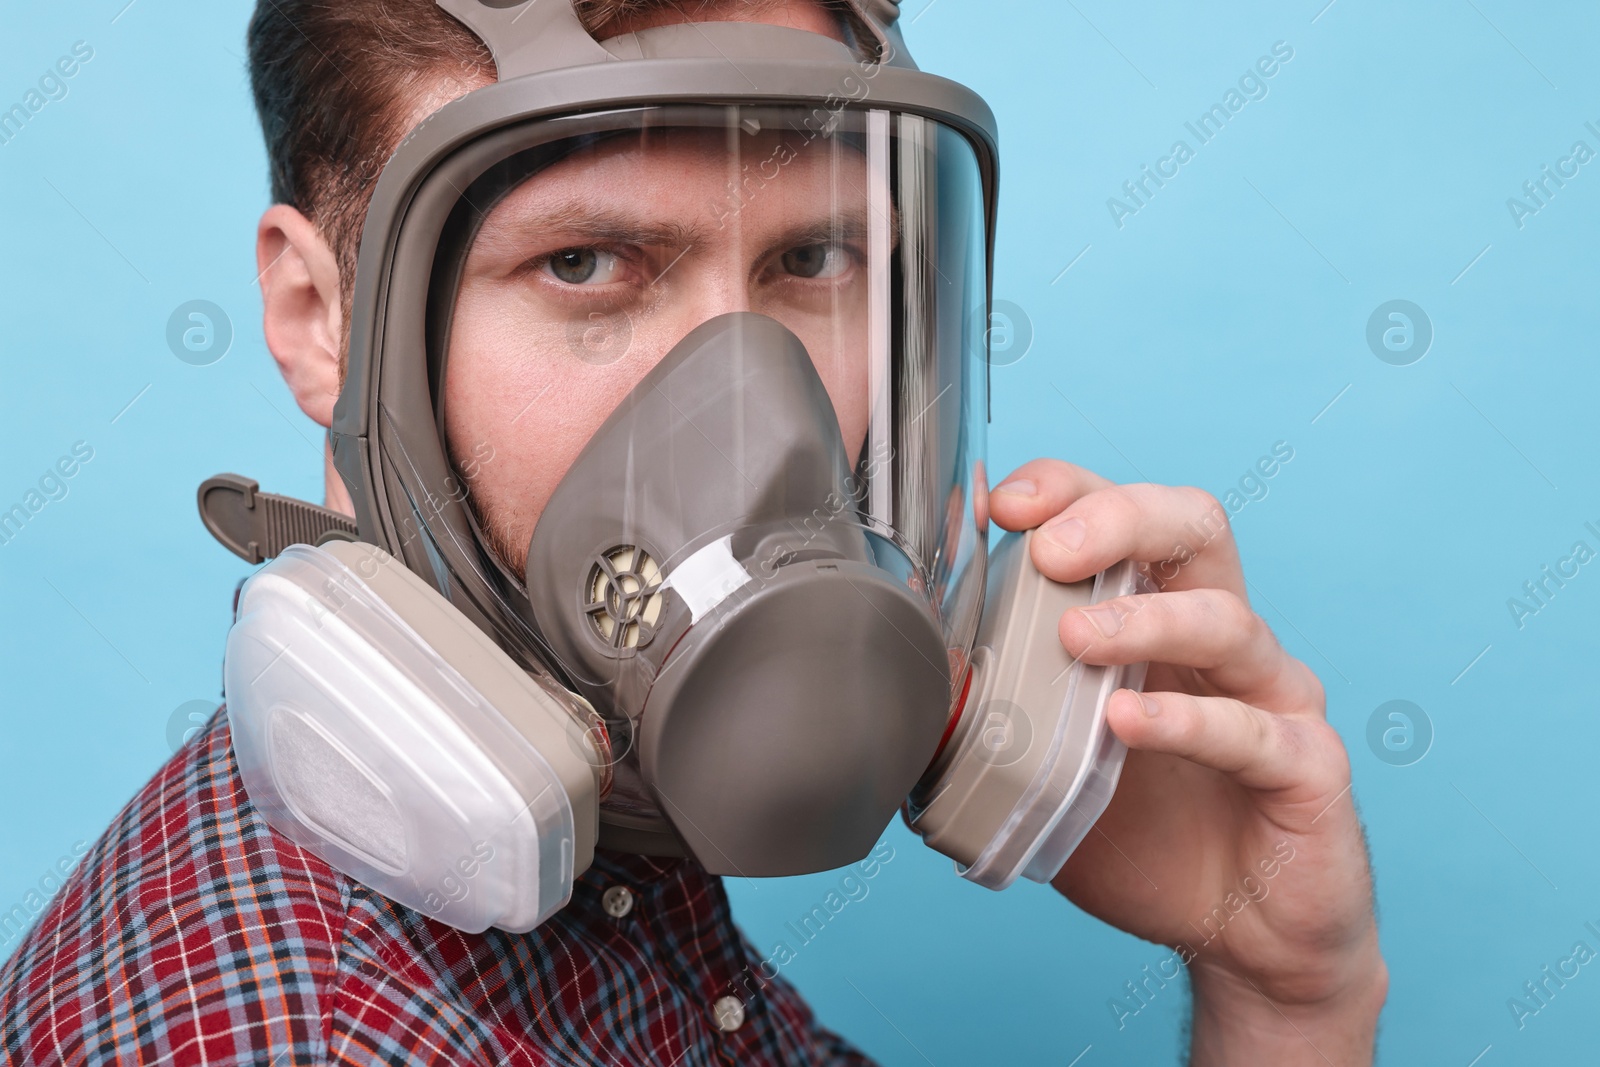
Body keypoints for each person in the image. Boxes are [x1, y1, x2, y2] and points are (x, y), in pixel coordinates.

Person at [0, 1, 1386, 1064]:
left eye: (814, 260)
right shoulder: (315, 1034)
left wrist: (1281, 993)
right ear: (319, 317)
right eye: (586, 264)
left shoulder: (612, 854)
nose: (753, 419)